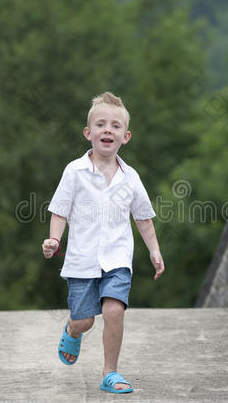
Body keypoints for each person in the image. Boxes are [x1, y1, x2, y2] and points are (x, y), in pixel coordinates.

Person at [42, 92, 165, 394]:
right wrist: (54, 239)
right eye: (100, 124)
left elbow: (144, 219)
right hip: (82, 261)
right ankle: (73, 329)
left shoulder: (131, 178)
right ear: (88, 133)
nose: (107, 130)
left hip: (117, 259)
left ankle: (110, 372)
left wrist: (154, 250)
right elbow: (60, 210)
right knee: (85, 321)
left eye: (115, 126)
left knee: (114, 311)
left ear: (126, 136)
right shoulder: (74, 171)